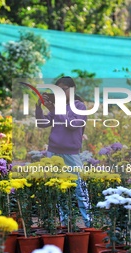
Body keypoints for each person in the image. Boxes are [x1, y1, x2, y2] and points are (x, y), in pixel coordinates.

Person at [35, 76, 91, 228]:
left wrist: (54, 109)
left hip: (71, 153)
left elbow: (72, 125)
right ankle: (64, 223)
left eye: (63, 89)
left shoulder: (80, 106)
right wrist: (39, 108)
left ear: (72, 90)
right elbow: (42, 124)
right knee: (59, 188)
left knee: (80, 188)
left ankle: (89, 223)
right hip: (54, 152)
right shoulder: (58, 106)